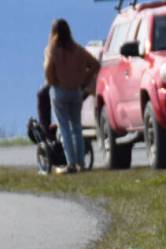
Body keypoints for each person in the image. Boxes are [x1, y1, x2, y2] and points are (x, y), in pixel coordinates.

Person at [43, 18, 100, 174]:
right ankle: (81, 162)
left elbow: (48, 69)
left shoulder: (52, 50)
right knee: (76, 127)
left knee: (64, 128)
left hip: (59, 90)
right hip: (75, 91)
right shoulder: (78, 50)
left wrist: (52, 80)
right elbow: (95, 65)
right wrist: (84, 80)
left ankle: (71, 163)